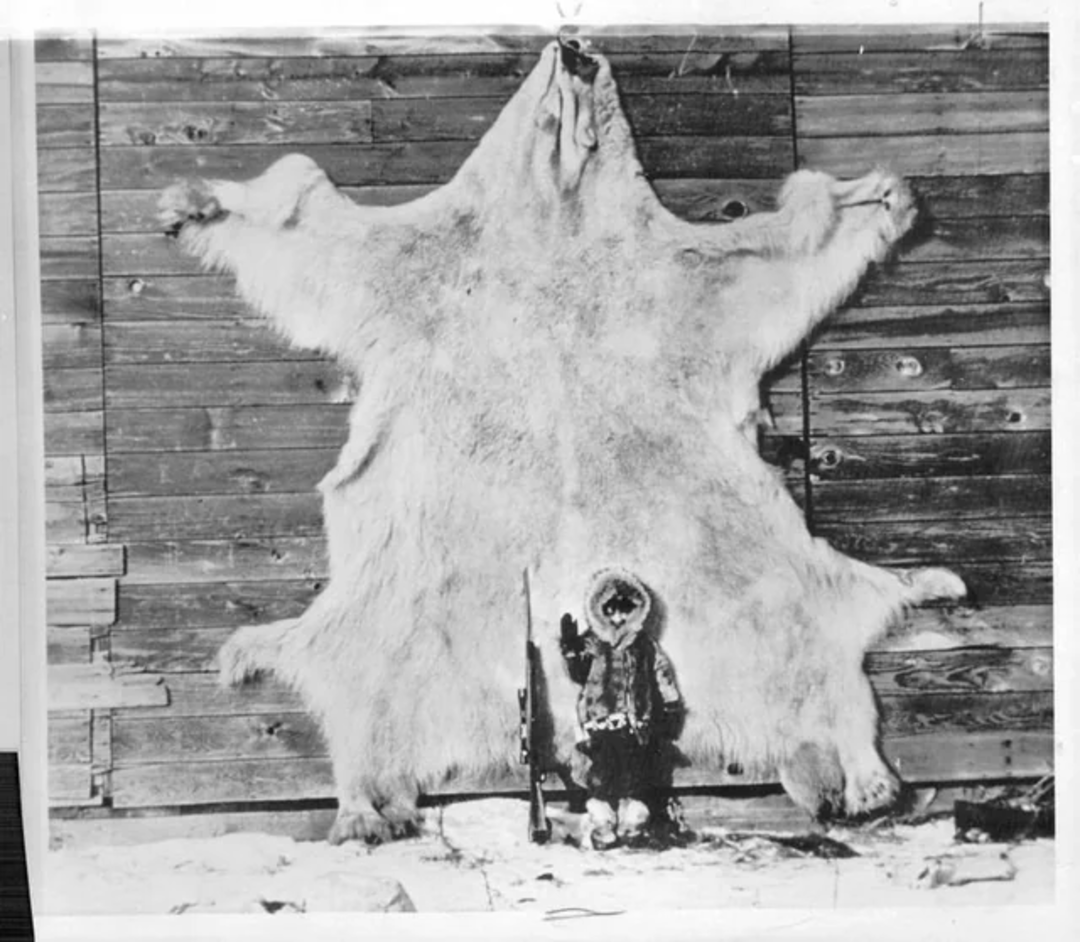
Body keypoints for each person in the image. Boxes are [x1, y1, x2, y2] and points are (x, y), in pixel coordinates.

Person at [560, 568, 683, 849]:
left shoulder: (644, 646)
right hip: (599, 722)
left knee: (636, 772)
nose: (618, 619)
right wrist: (571, 649)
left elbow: (661, 673)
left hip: (635, 721)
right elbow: (579, 674)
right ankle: (603, 822)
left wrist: (671, 704)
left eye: (624, 612)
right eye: (611, 611)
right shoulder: (593, 643)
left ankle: (633, 821)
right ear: (601, 611)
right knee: (603, 772)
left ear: (636, 611)